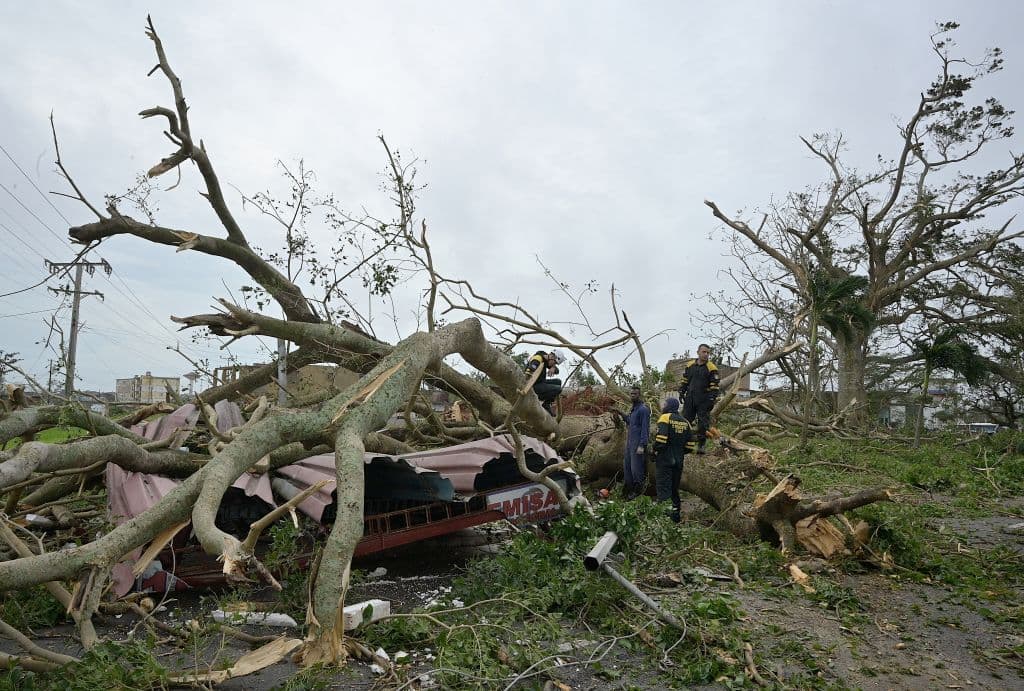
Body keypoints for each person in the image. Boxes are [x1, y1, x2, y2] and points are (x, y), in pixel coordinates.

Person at [652, 397, 694, 523]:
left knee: (664, 489)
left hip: (665, 461)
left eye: (665, 404)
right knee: (674, 490)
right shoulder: (686, 422)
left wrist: (654, 449)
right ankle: (676, 518)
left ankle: (665, 520)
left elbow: (661, 439)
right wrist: (680, 452)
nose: (663, 406)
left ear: (669, 405)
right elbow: (690, 446)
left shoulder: (665, 417)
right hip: (678, 462)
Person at [677, 343, 720, 454]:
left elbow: (715, 387)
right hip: (690, 399)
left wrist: (711, 400)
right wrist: (682, 392)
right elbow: (685, 381)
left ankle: (701, 446)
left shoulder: (711, 368)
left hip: (704, 400)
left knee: (703, 424)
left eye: (708, 353)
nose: (706, 354)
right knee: (686, 421)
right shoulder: (690, 365)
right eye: (703, 352)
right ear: (698, 352)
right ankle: (683, 443)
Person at [614, 386, 650, 499]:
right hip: (629, 443)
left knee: (636, 468)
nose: (632, 396)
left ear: (640, 395)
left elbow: (645, 428)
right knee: (627, 467)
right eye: (631, 394)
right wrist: (620, 413)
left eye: (635, 394)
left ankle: (637, 492)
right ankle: (627, 490)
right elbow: (630, 422)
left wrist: (642, 445)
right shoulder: (633, 409)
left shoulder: (643, 409)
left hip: (637, 444)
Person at [525, 349, 565, 415]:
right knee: (558, 389)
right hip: (532, 386)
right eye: (555, 363)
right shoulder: (537, 359)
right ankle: (538, 399)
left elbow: (557, 371)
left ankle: (547, 404)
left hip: (540, 382)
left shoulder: (546, 358)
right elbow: (528, 373)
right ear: (552, 357)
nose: (554, 364)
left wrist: (553, 367)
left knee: (558, 382)